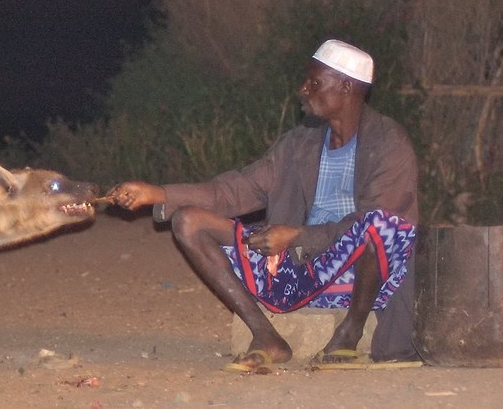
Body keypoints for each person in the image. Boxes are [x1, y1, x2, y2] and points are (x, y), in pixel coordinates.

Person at [107, 39, 420, 372]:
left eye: (314, 83)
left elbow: (377, 222)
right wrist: (157, 194)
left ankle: (348, 336)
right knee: (188, 222)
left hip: (362, 281)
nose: (303, 89)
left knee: (383, 224)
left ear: (345, 86)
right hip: (295, 276)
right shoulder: (298, 144)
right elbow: (233, 190)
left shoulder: (388, 143)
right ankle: (266, 335)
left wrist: (296, 235)